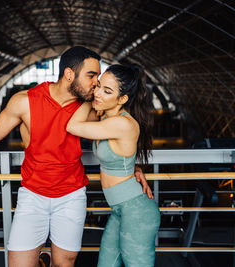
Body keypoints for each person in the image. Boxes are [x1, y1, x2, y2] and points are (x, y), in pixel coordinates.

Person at [0, 47, 151, 267]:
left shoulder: (90, 108)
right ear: (70, 74)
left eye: (98, 77)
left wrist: (132, 167)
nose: (96, 83)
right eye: (91, 75)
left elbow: (120, 138)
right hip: (32, 196)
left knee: (64, 264)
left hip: (72, 195)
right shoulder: (25, 101)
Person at [67, 64, 160, 267]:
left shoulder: (122, 124)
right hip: (120, 209)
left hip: (136, 210)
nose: (98, 92)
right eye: (98, 86)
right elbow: (122, 155)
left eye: (106, 91)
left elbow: (72, 126)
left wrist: (89, 99)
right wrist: (134, 168)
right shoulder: (107, 118)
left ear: (122, 99)